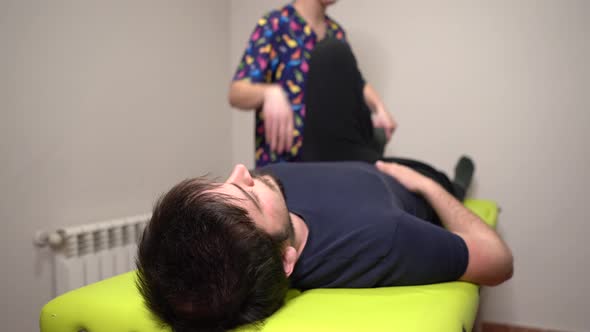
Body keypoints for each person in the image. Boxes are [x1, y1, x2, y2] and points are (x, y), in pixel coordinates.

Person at [136, 160, 514, 332]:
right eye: (245, 194)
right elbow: (499, 261)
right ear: (286, 260)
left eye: (225, 182)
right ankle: (454, 182)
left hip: (356, 163)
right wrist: (422, 184)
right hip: (406, 178)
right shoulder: (384, 238)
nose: (242, 171)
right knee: (332, 55)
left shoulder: (269, 186)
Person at [229, 0, 396, 167]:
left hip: (329, 164)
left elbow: (356, 81)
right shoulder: (275, 24)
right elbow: (236, 93)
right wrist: (268, 92)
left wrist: (379, 107)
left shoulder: (336, 33)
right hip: (283, 166)